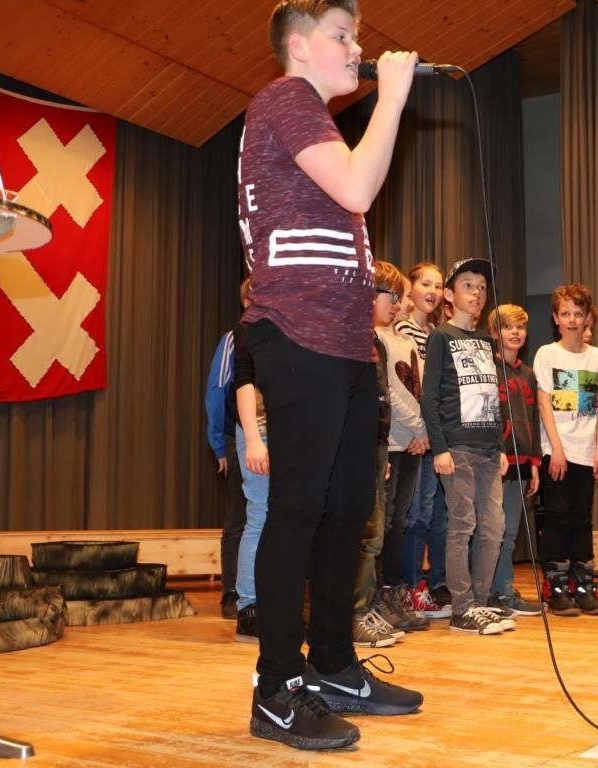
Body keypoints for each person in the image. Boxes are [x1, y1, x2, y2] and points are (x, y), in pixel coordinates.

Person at [237, 0, 421, 751]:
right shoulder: (286, 98)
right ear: (300, 44)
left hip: (344, 345)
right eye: (342, 35)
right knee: (297, 512)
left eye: (357, 36)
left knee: (348, 511)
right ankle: (277, 690)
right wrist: (394, 97)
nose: (357, 48)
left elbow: (347, 194)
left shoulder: (313, 118)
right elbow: (357, 188)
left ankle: (335, 666)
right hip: (296, 334)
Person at [420, 258, 511, 635]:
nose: (476, 293)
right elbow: (429, 398)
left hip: (488, 448)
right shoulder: (441, 337)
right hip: (457, 447)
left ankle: (481, 601)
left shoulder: (486, 341)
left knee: (494, 526)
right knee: (462, 524)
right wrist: (439, 447)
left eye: (482, 287)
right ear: (449, 294)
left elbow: (492, 395)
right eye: (468, 285)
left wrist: (500, 445)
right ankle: (462, 607)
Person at [352, 260, 428, 646]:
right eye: (393, 295)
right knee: (367, 533)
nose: (398, 304)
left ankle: (372, 604)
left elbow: (393, 392)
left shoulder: (383, 342)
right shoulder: (361, 339)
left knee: (382, 529)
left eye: (401, 297)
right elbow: (385, 396)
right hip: (378, 444)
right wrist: (412, 429)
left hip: (383, 444)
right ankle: (360, 609)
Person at [534, 283, 598, 616]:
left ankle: (583, 586)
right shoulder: (547, 354)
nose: (571, 319)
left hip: (586, 451)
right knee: (557, 516)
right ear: (556, 318)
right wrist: (556, 449)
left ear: (587, 318)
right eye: (565, 313)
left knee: (582, 517)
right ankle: (556, 588)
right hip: (558, 450)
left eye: (578, 314)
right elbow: (544, 403)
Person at [395, 262, 451, 617]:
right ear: (411, 289)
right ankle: (411, 586)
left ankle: (426, 584)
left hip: (434, 434)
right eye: (425, 284)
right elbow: (411, 387)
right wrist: (422, 430)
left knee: (431, 514)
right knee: (414, 514)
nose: (432, 291)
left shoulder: (435, 332)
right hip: (415, 436)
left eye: (438, 285)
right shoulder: (403, 330)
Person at [485, 304, 543, 616]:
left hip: (521, 463)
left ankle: (503, 591)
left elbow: (532, 421)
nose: (516, 332)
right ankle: (489, 592)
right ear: (495, 332)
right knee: (491, 531)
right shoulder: (488, 370)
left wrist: (534, 464)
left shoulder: (529, 375)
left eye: (520, 327)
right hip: (496, 461)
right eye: (508, 327)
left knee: (509, 532)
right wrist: (495, 451)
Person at [204, 280, 251, 619]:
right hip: (239, 438)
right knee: (239, 518)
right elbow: (217, 392)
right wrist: (219, 445)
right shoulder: (233, 339)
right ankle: (231, 592)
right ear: (247, 300)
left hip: (276, 439)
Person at [232, 292, 268, 643]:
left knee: (285, 517)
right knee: (260, 514)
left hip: (290, 430)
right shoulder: (250, 323)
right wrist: (254, 439)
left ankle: (276, 601)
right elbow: (243, 380)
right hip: (260, 429)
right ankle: (249, 607)